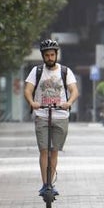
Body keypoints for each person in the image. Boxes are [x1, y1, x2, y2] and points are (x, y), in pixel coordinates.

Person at [24, 39, 79, 198]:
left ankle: (51, 182)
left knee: (54, 151)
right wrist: (32, 102)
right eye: (47, 55)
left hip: (61, 116)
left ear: (56, 55)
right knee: (44, 150)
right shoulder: (36, 71)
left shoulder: (65, 71)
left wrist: (68, 103)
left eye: (52, 55)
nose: (50, 58)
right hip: (42, 115)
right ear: (43, 56)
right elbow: (28, 90)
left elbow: (74, 90)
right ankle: (45, 184)